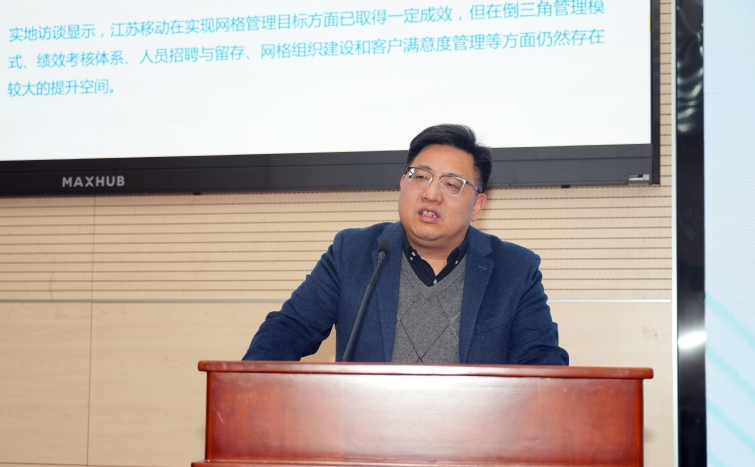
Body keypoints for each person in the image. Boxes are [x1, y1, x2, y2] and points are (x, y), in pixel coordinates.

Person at [243, 124, 568, 365]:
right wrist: (246, 387)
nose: (431, 194)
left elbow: (542, 363)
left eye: (451, 184)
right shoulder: (353, 252)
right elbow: (290, 328)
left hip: (472, 435)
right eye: (420, 176)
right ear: (403, 184)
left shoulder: (515, 269)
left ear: (477, 206)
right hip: (365, 431)